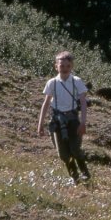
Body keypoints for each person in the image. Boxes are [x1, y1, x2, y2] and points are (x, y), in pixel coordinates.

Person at [37, 51, 91, 183]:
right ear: (56, 66)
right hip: (57, 121)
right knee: (63, 154)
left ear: (71, 66)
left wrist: (83, 123)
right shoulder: (52, 83)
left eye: (67, 66)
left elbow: (83, 102)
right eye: (62, 66)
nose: (65, 69)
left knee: (75, 148)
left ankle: (85, 173)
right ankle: (75, 176)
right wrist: (40, 125)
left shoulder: (76, 81)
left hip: (73, 120)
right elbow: (46, 103)